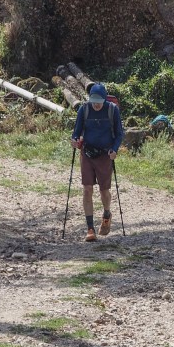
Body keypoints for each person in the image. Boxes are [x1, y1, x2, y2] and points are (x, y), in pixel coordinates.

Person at [70, 82, 124, 241]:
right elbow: (76, 132)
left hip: (105, 155)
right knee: (87, 189)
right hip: (87, 153)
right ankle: (90, 229)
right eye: (94, 101)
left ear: (104, 100)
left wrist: (114, 150)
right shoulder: (84, 109)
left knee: (104, 191)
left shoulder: (112, 110)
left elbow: (119, 134)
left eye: (99, 102)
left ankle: (107, 214)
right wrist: (74, 140)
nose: (96, 105)